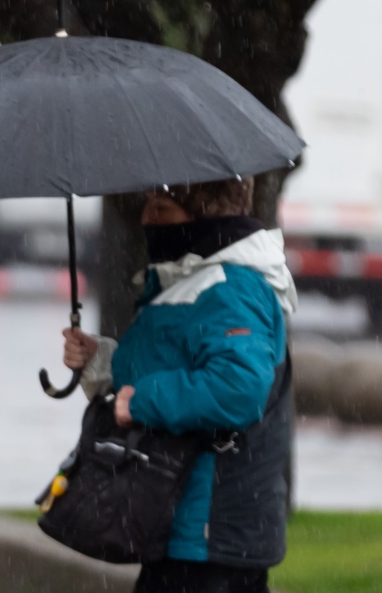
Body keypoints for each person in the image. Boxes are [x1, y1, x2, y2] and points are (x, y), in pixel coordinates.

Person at [62, 178, 296, 593]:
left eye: (162, 208)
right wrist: (98, 359)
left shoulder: (233, 288)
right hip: (182, 527)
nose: (147, 218)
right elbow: (164, 360)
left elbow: (237, 388)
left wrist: (143, 402)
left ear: (205, 213)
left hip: (212, 532)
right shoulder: (186, 280)